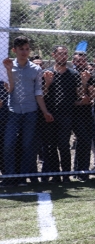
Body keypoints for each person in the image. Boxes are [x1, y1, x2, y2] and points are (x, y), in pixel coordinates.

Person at [3, 36, 53, 185]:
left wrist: (45, 111)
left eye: (27, 49)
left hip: (31, 111)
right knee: (8, 144)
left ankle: (22, 178)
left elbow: (38, 91)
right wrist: (9, 71)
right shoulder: (8, 65)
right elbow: (9, 89)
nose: (24, 52)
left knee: (27, 145)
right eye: (21, 49)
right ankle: (9, 177)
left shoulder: (36, 69)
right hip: (12, 111)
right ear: (14, 50)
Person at [41, 46, 77, 182]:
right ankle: (55, 175)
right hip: (50, 115)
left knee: (63, 145)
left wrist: (84, 83)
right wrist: (48, 84)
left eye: (65, 54)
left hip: (66, 115)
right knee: (51, 146)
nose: (63, 56)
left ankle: (66, 174)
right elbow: (41, 95)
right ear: (54, 55)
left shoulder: (73, 74)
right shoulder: (46, 73)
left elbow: (79, 94)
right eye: (60, 53)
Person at [71, 51, 93, 179]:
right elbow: (75, 95)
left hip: (87, 112)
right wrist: (80, 101)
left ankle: (81, 169)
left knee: (85, 141)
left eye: (83, 60)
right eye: (78, 60)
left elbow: (91, 93)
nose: (81, 63)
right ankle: (78, 169)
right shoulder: (71, 74)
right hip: (74, 113)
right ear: (73, 62)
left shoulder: (89, 74)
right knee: (83, 139)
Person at [0, 49, 14, 176]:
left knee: (4, 145)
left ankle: (7, 174)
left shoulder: (3, 81)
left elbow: (10, 91)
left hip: (3, 118)